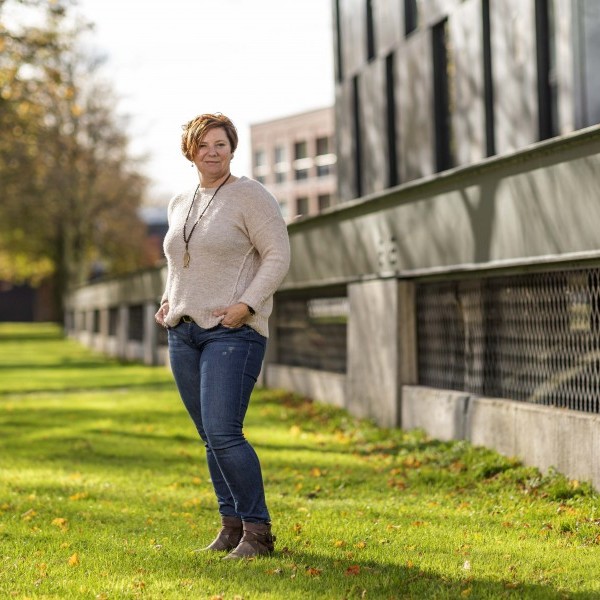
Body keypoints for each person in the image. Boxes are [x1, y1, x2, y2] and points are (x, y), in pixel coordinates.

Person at [155, 113, 290, 559]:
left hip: (232, 332)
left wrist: (246, 305)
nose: (213, 152)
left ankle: (259, 532)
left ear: (232, 149)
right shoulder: (181, 200)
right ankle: (231, 526)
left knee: (224, 431)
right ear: (189, 151)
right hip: (184, 332)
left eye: (221, 145)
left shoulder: (250, 195)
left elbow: (277, 255)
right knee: (209, 436)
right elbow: (180, 261)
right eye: (204, 145)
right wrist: (168, 298)